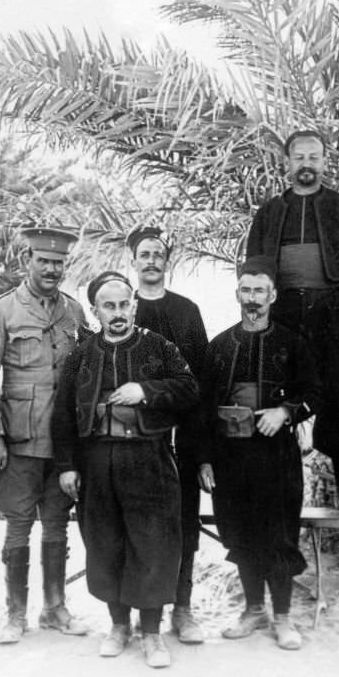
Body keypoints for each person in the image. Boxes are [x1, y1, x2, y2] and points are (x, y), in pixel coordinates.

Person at [52, 272, 199, 669]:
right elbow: (63, 414)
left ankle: (151, 632)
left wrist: (146, 391)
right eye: (108, 306)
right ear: (96, 310)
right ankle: (119, 625)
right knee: (106, 543)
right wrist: (67, 466)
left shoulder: (158, 347)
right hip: (98, 459)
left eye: (123, 305)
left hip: (149, 458)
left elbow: (190, 388)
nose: (117, 314)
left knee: (150, 545)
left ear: (134, 305)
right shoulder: (80, 356)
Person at [246, 129, 339, 514]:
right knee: (274, 391)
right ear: (287, 164)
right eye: (299, 158)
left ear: (324, 162)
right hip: (284, 312)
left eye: (314, 157)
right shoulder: (270, 212)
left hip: (332, 309)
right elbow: (253, 268)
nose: (306, 164)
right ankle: (274, 486)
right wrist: (253, 313)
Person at [195, 256, 321, 651]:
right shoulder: (219, 347)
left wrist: (286, 412)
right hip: (231, 459)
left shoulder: (292, 343)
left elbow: (315, 393)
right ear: (237, 293)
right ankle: (253, 610)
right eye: (246, 290)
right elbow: (200, 408)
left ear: (273, 295)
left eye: (260, 291)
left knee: (279, 535)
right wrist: (204, 458)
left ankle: (282, 617)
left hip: (277, 458)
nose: (253, 299)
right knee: (241, 534)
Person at [0, 227, 90, 644]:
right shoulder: (3, 311)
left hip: (62, 444)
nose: (51, 269)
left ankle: (55, 608)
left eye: (58, 263)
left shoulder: (74, 313)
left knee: (58, 526)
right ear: (27, 260)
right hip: (18, 439)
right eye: (43, 261)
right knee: (17, 527)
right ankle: (14, 614)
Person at [127, 225, 208, 644]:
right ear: (134, 261)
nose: (152, 260)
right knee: (143, 525)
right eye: (145, 254)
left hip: (184, 439)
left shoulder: (187, 310)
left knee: (184, 523)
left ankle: (183, 608)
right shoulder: (123, 308)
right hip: (137, 439)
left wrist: (204, 450)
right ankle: (146, 611)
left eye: (159, 253)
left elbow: (202, 382)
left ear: (167, 261)